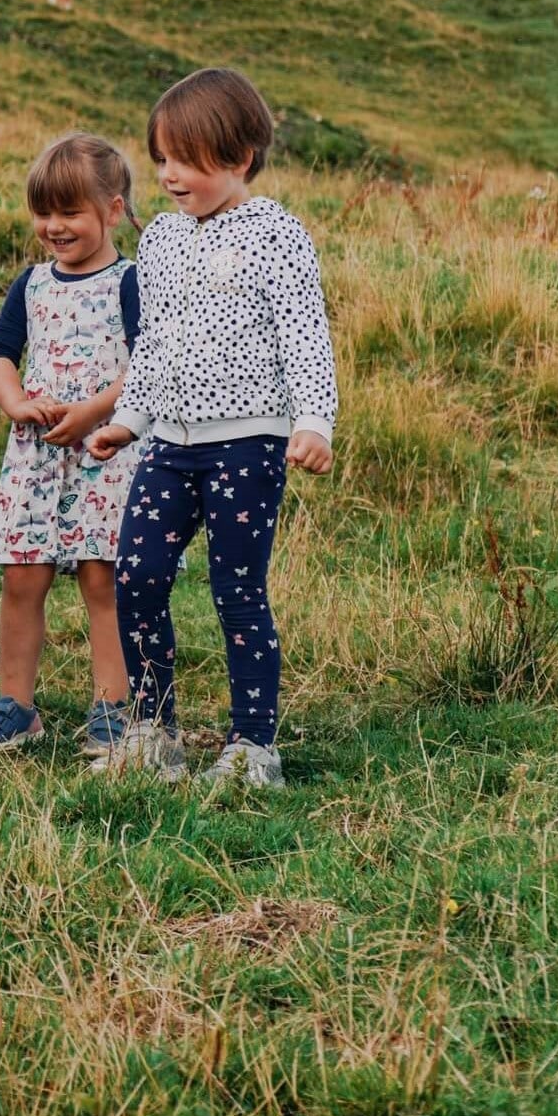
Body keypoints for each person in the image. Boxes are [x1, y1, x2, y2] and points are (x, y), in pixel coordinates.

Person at [86, 68, 337, 788]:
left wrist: (314, 422)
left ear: (238, 157)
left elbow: (304, 335)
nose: (168, 175)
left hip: (247, 444)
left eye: (186, 160)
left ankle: (250, 746)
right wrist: (128, 421)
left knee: (236, 590)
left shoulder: (276, 233)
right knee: (135, 575)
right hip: (167, 444)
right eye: (160, 158)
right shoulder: (159, 240)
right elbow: (153, 344)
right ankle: (150, 729)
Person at [0, 133, 144, 755]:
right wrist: (16, 402)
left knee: (104, 580)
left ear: (113, 210)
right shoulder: (32, 284)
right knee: (23, 578)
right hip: (37, 455)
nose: (54, 226)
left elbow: (145, 364)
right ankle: (15, 705)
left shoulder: (131, 282)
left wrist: (95, 412)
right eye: (44, 213)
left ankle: (113, 707)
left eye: (70, 212)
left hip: (106, 450)